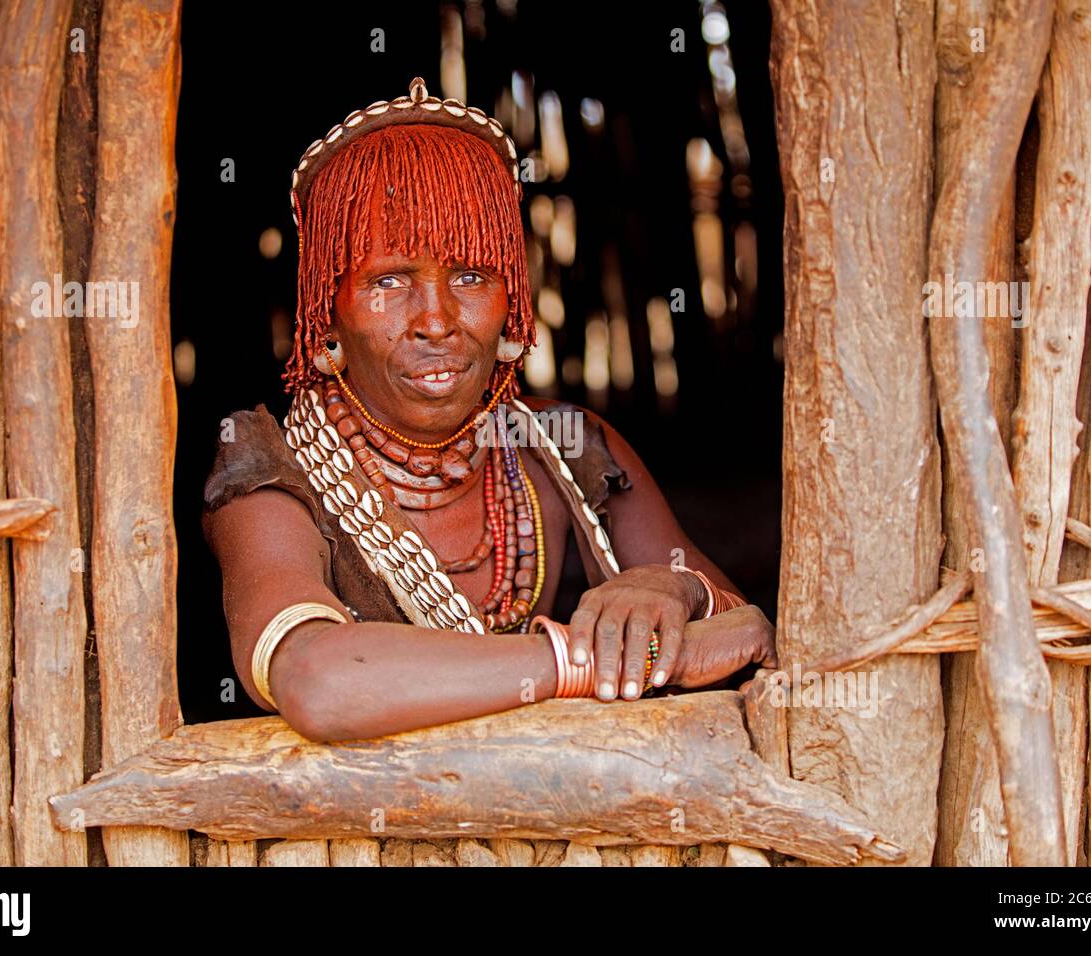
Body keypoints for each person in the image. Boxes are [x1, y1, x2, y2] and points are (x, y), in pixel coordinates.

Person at [203, 78, 776, 743]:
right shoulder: (266, 465)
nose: (437, 320)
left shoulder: (561, 446)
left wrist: (673, 593)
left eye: (471, 276)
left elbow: (746, 638)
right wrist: (580, 661)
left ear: (513, 295)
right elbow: (319, 680)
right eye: (388, 280)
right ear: (328, 308)